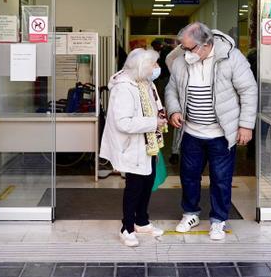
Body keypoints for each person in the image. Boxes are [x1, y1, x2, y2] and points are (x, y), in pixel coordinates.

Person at [165, 22, 257, 241]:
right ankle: (190, 214)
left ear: (206, 44)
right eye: (183, 48)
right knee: (189, 177)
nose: (185, 53)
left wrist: (246, 125)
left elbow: (249, 91)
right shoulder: (182, 60)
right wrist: (174, 110)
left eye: (189, 48)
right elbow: (171, 88)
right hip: (192, 132)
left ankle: (218, 220)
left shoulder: (231, 58)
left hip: (221, 134)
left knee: (221, 179)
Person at [99, 48, 168, 247]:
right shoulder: (124, 88)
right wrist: (153, 123)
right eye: (153, 64)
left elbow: (155, 107)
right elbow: (124, 122)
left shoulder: (146, 83)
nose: (156, 68)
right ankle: (126, 228)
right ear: (141, 67)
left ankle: (142, 221)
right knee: (134, 188)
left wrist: (159, 119)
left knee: (147, 184)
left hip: (149, 143)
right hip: (133, 146)